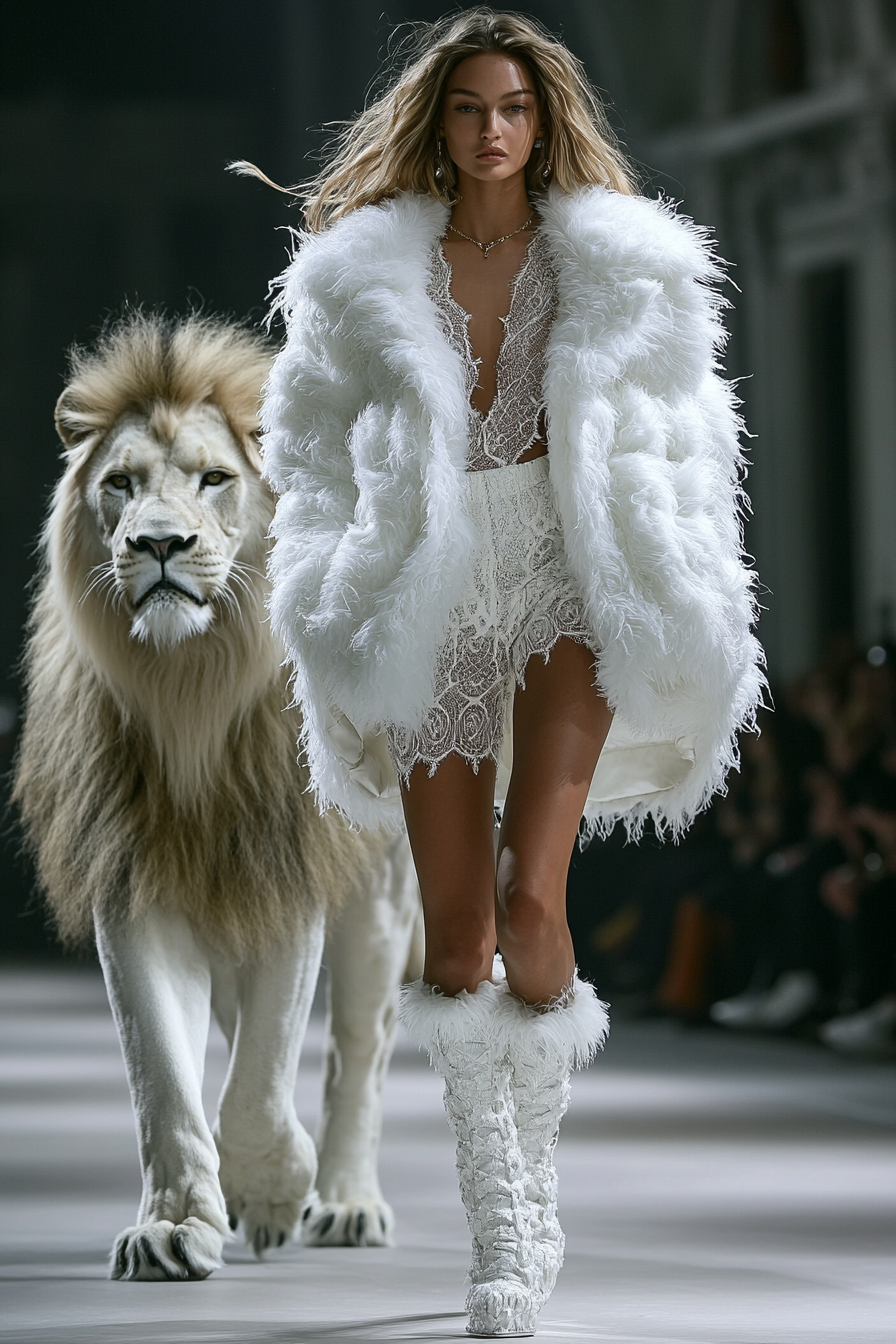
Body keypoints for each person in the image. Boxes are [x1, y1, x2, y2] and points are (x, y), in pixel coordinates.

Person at [250, 8, 763, 1336]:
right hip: (430, 591)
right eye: (472, 106)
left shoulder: (621, 269)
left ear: (544, 123)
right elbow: (301, 456)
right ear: (441, 121)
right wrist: (324, 588)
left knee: (537, 909)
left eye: (515, 108)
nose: (493, 128)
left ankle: (534, 1205)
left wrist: (682, 573)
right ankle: (499, 1220)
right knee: (460, 935)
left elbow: (686, 448)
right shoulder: (359, 274)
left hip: (563, 576)